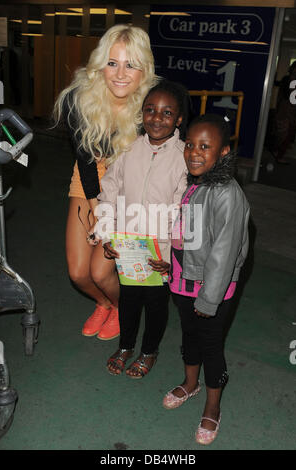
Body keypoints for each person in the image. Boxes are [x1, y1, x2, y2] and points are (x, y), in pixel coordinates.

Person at [53, 25, 157, 340]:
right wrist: (99, 209)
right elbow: (85, 160)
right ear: (100, 64)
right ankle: (106, 304)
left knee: (101, 271)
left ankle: (125, 312)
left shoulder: (153, 106)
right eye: (112, 63)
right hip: (89, 181)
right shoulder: (78, 99)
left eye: (131, 64)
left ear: (144, 68)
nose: (120, 73)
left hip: (131, 191)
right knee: (79, 273)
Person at [162, 114, 250, 445]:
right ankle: (190, 382)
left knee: (211, 346)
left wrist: (209, 299)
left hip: (212, 289)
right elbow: (184, 233)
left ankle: (213, 405)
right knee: (188, 335)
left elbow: (224, 254)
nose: (194, 152)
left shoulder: (228, 194)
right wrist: (168, 263)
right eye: (189, 144)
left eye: (204, 146)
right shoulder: (195, 182)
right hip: (184, 279)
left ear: (224, 152)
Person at [94, 79, 191, 377]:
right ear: (142, 114)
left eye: (166, 113)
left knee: (156, 306)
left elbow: (183, 211)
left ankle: (149, 351)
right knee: (129, 300)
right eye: (150, 110)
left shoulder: (184, 157)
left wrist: (172, 259)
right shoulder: (129, 148)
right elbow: (109, 190)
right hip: (128, 249)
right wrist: (107, 233)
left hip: (159, 255)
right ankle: (125, 346)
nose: (157, 118)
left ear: (178, 119)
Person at [268, 60, 296, 163]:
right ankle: (278, 154)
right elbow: (285, 97)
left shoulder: (289, 80)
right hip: (285, 110)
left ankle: (278, 152)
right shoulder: (289, 80)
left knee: (287, 133)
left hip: (289, 110)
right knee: (283, 132)